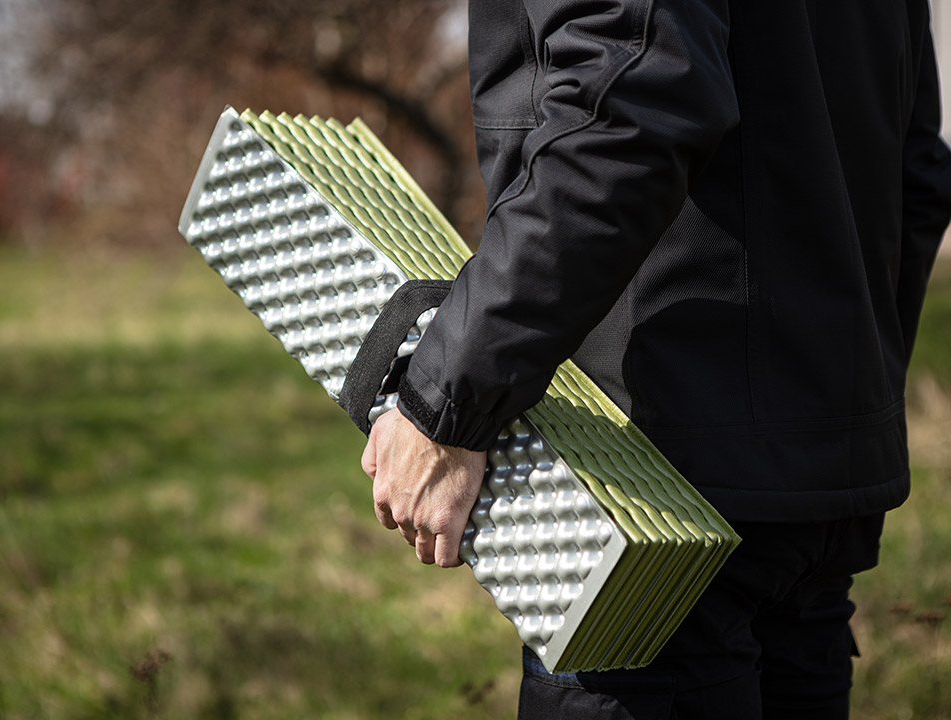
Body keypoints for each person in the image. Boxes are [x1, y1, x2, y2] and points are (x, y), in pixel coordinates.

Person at [361, 0, 951, 717]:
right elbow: (918, 168)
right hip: (819, 492)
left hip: (653, 494)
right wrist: (847, 403)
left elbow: (628, 110)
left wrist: (444, 404)